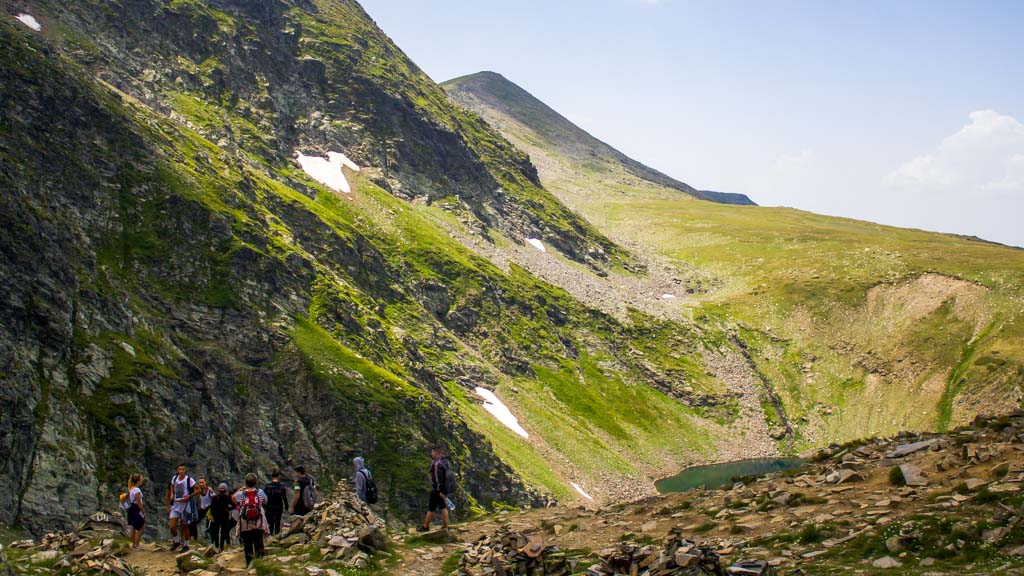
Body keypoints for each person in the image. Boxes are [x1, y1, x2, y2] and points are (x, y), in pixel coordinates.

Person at [234, 473, 268, 566]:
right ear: (255, 482)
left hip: (245, 524)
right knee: (259, 543)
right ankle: (259, 564)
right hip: (258, 523)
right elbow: (265, 501)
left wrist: (240, 490)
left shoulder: (241, 494)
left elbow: (233, 499)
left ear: (246, 482)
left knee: (247, 545)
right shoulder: (260, 492)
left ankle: (249, 565)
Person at [418, 445, 453, 532]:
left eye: (433, 452)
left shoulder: (437, 463)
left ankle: (425, 526)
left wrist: (439, 490)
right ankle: (446, 526)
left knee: (431, 507)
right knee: (442, 506)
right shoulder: (446, 462)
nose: (431, 454)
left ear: (436, 452)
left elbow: (438, 478)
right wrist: (444, 490)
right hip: (445, 488)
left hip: (437, 489)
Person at [165, 464, 197, 552]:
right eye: (180, 469)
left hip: (185, 505)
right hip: (175, 504)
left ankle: (186, 544)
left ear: (185, 470)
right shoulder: (174, 478)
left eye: (183, 469)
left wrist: (189, 496)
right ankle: (176, 541)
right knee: (172, 526)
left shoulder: (189, 480)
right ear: (177, 470)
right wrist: (171, 494)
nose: (181, 471)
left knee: (184, 525)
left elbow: (197, 490)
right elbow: (171, 486)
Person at [208, 483, 235, 551]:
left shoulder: (215, 497)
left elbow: (212, 508)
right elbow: (234, 506)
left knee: (216, 531)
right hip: (225, 516)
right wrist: (228, 509)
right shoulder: (227, 498)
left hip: (217, 517)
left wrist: (212, 515)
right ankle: (221, 547)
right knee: (223, 532)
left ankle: (216, 545)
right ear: (226, 490)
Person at [263, 469, 288, 536]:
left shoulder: (267, 486)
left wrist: (264, 506)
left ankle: (270, 536)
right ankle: (277, 535)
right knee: (277, 522)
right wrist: (286, 506)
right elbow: (284, 497)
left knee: (270, 522)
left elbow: (264, 497)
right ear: (278, 477)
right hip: (279, 506)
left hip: (269, 506)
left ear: (272, 477)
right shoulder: (282, 486)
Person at [190, 477, 214, 544]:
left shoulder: (209, 490)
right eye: (200, 482)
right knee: (193, 522)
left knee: (209, 525)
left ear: (205, 482)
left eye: (202, 482)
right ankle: (194, 538)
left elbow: (213, 500)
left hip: (209, 508)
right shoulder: (198, 490)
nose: (201, 484)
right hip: (202, 509)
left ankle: (210, 542)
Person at [126, 474, 146, 550]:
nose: (142, 480)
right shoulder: (137, 490)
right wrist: (143, 511)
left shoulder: (131, 488)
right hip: (136, 508)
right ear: (138, 481)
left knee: (134, 526)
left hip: (131, 508)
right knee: (141, 526)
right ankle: (137, 544)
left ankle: (133, 544)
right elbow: (139, 502)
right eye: (141, 479)